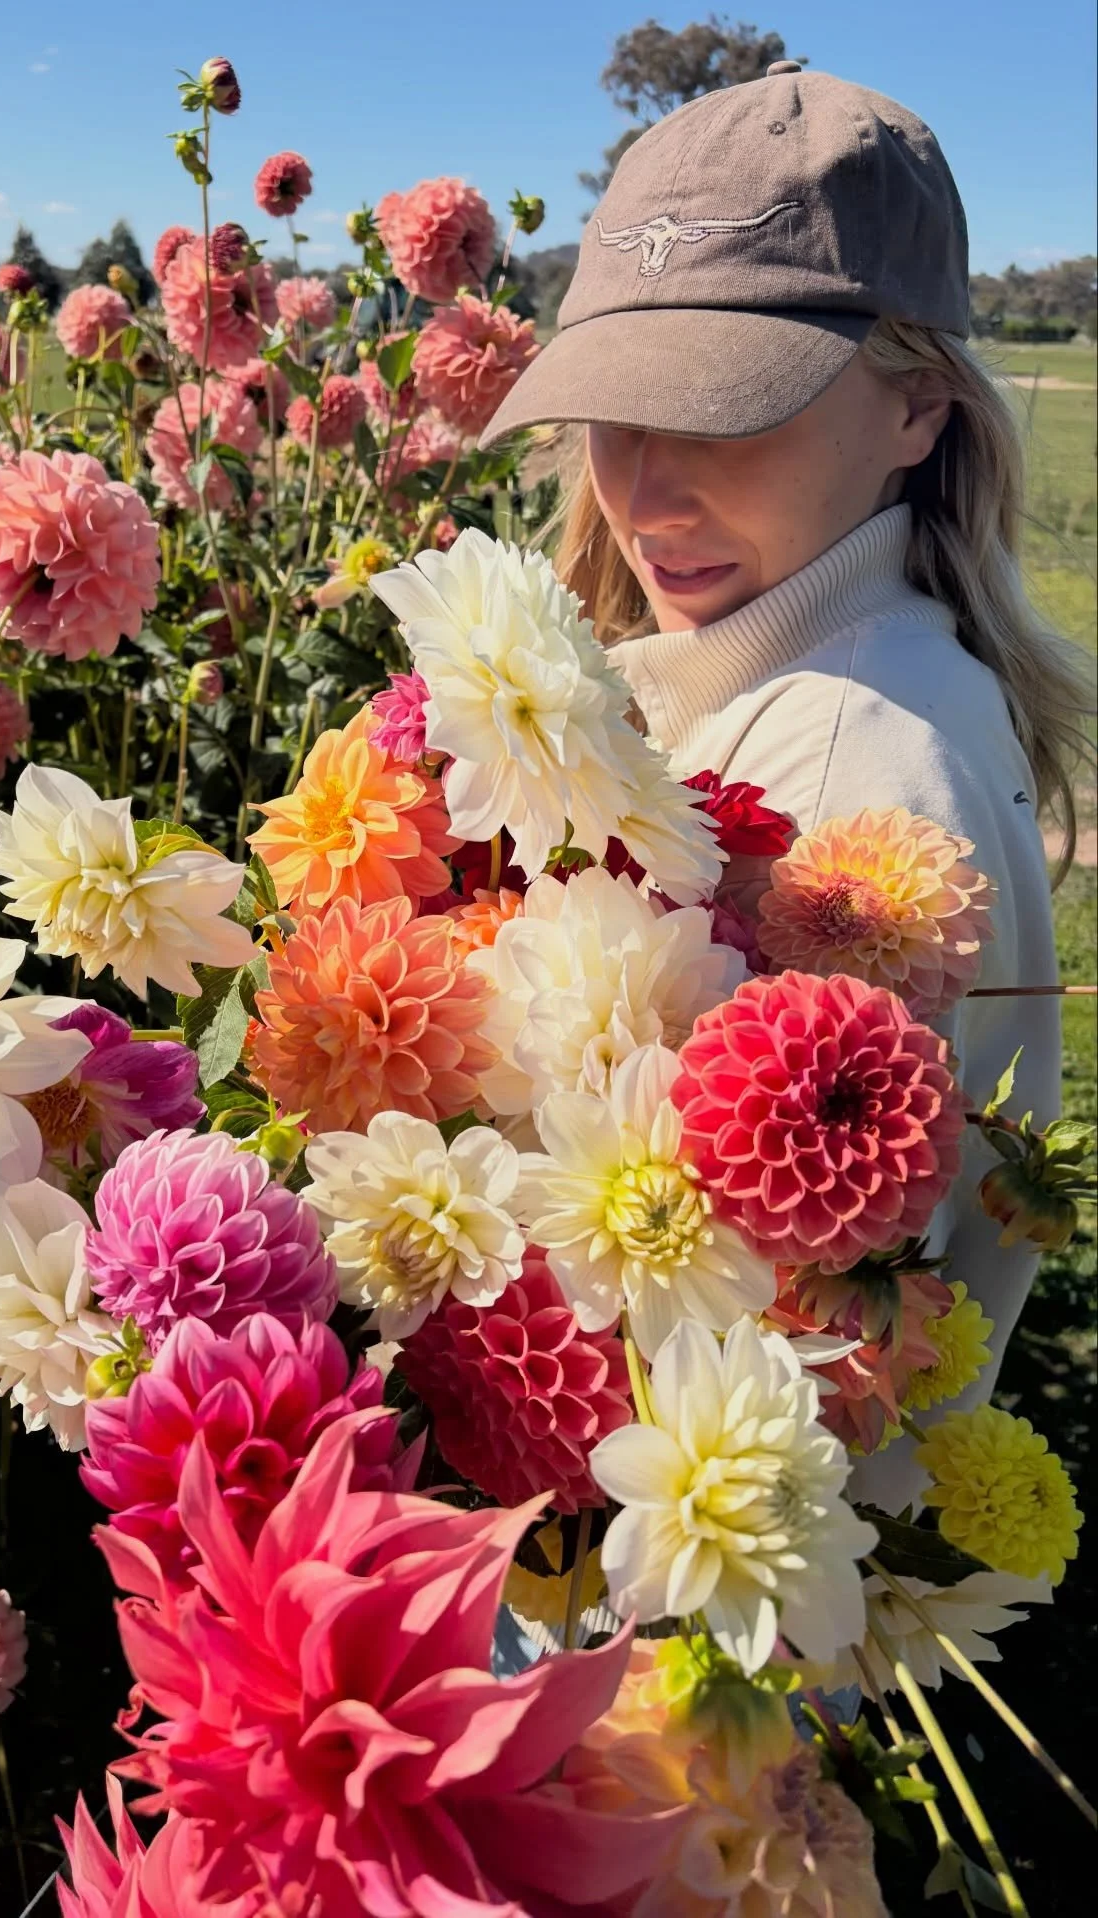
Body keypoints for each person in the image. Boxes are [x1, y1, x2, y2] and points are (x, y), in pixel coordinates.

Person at [482, 61, 1091, 1510]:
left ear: (920, 408)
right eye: (613, 412)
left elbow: (762, 1335)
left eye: (722, 411)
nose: (640, 491)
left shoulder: (839, 775)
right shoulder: (833, 672)